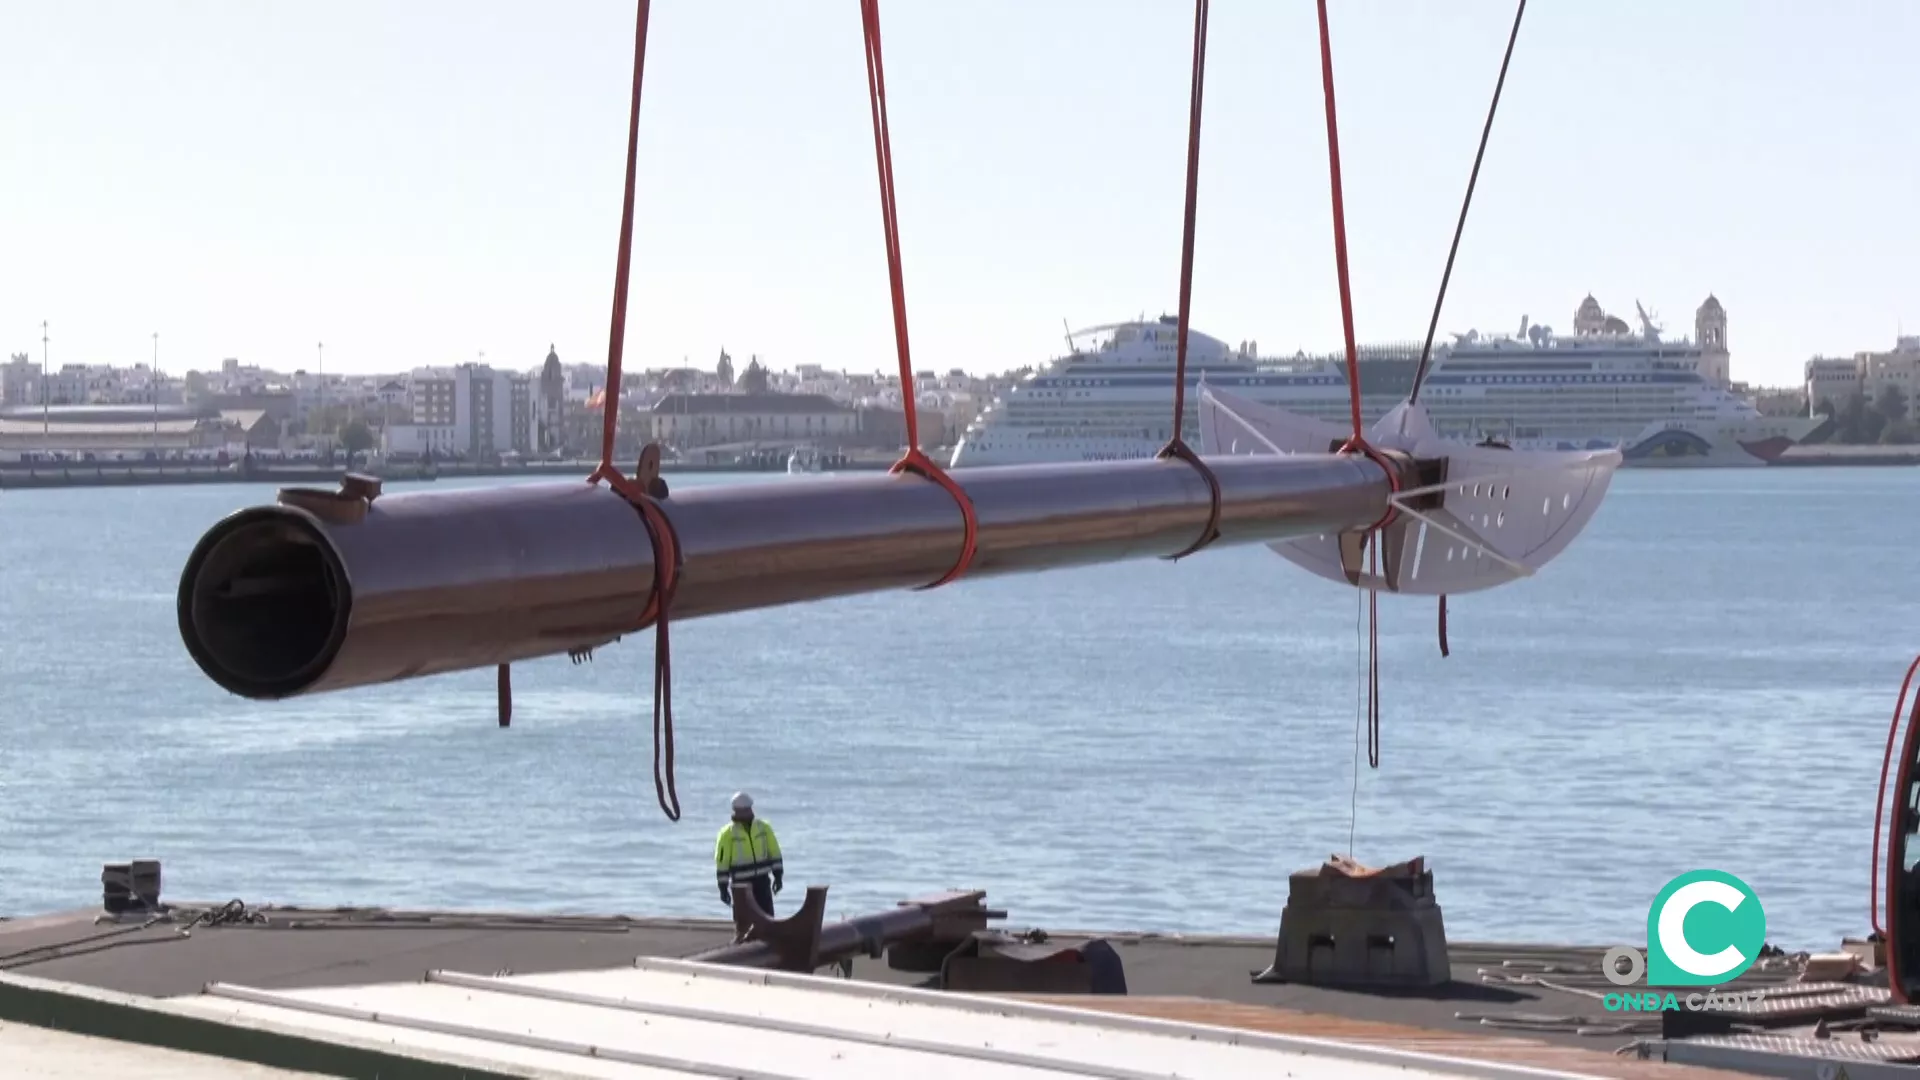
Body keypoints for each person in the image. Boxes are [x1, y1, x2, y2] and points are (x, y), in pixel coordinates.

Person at [714, 792, 783, 913]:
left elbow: (775, 853)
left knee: (767, 918)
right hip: (741, 885)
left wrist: (778, 876)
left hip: (762, 881)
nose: (748, 812)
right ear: (735, 811)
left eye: (748, 809)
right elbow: (722, 863)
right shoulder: (727, 834)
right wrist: (723, 888)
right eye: (743, 810)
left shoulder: (764, 828)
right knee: (744, 921)